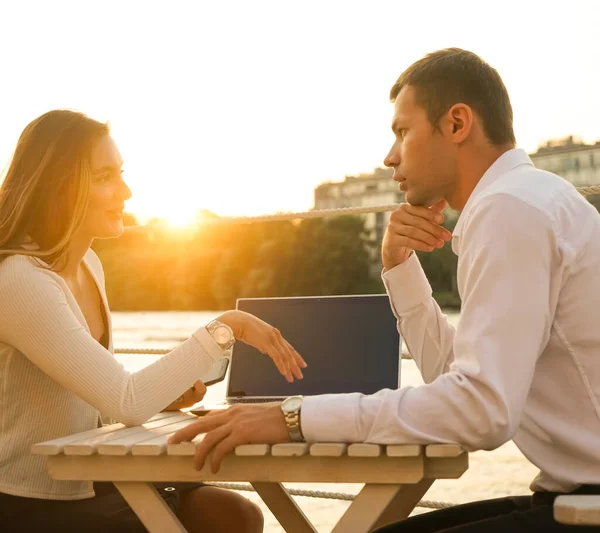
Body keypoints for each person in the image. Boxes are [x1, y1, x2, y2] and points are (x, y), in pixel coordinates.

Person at [169, 48, 600, 532]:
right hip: (572, 497)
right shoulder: (527, 200)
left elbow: (482, 412)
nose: (389, 156)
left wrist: (292, 417)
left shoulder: (510, 211)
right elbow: (454, 381)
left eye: (402, 131)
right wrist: (398, 266)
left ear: (457, 123)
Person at [0, 109, 307, 533]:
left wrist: (163, 399)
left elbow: (95, 401)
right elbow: (127, 400)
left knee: (239, 516)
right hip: (35, 498)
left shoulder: (89, 264)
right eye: (105, 177)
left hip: (94, 475)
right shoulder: (18, 280)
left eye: (121, 173)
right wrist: (227, 327)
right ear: (59, 186)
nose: (125, 191)